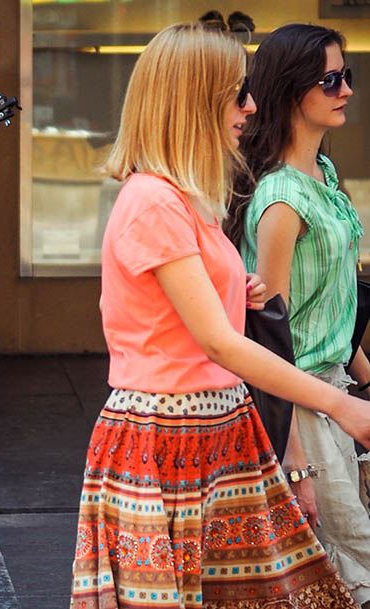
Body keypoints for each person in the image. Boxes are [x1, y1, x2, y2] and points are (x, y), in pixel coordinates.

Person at [70, 22, 370, 609]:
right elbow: (216, 343)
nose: (252, 106)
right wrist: (341, 404)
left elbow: (208, 327)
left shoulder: (187, 197)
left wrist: (239, 293)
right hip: (167, 441)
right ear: (193, 101)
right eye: (238, 93)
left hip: (217, 432)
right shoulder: (156, 200)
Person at [225, 23, 370, 607]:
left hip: (339, 392)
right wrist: (294, 456)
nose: (345, 91)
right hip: (305, 405)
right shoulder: (283, 198)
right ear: (290, 91)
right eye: (330, 80)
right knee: (349, 560)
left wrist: (362, 373)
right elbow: (268, 333)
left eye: (347, 77)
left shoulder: (324, 177)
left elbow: (331, 303)